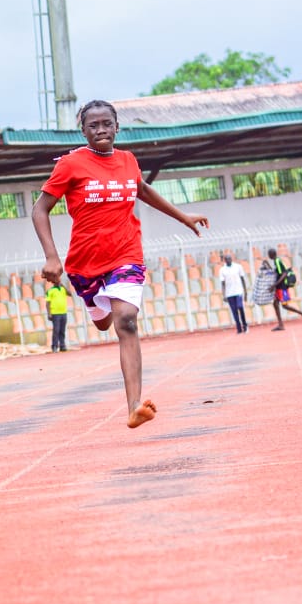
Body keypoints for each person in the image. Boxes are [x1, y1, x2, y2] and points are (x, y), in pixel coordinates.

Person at [32, 99, 208, 429]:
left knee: (126, 320)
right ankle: (97, 306)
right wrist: (51, 256)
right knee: (103, 324)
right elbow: (39, 209)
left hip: (126, 254)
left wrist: (183, 217)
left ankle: (134, 406)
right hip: (85, 262)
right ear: (83, 131)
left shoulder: (128, 160)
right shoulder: (70, 165)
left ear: (117, 127)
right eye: (93, 125)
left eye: (107, 124)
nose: (101, 130)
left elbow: (142, 189)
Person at [264, 247, 302, 331]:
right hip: (279, 288)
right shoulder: (276, 261)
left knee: (285, 306)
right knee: (275, 303)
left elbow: (284, 274)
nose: (268, 255)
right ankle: (281, 325)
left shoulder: (277, 261)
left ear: (272, 254)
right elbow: (279, 272)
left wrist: (274, 285)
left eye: (269, 254)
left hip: (282, 288)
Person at [217, 253, 248, 334]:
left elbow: (242, 278)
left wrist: (245, 291)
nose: (228, 260)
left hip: (238, 291)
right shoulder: (222, 270)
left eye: (229, 258)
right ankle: (239, 327)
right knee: (234, 311)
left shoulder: (238, 267)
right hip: (229, 293)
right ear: (225, 260)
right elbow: (223, 283)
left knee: (240, 307)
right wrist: (223, 295)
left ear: (231, 259)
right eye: (227, 259)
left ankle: (245, 325)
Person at [46, 278, 69, 351]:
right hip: (55, 313)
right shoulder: (50, 291)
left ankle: (62, 346)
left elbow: (70, 294)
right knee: (56, 330)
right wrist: (49, 313)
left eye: (59, 280)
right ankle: (54, 346)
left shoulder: (63, 289)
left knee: (62, 330)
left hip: (63, 312)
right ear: (53, 282)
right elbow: (47, 303)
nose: (59, 282)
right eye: (57, 280)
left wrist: (63, 286)